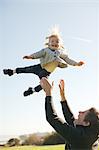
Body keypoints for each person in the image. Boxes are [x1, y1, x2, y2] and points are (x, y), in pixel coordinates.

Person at [3, 29, 84, 96]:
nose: (54, 43)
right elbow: (38, 54)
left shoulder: (60, 53)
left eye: (57, 42)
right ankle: (12, 71)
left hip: (46, 72)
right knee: (27, 69)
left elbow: (68, 59)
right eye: (52, 41)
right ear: (48, 43)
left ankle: (32, 90)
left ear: (59, 45)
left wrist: (76, 64)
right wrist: (31, 56)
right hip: (40, 67)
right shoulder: (45, 50)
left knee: (45, 85)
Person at [40, 77, 99, 150]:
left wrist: (48, 93)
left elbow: (52, 118)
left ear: (86, 123)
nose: (79, 112)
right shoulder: (90, 132)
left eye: (83, 113)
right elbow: (71, 120)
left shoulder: (81, 137)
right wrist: (63, 97)